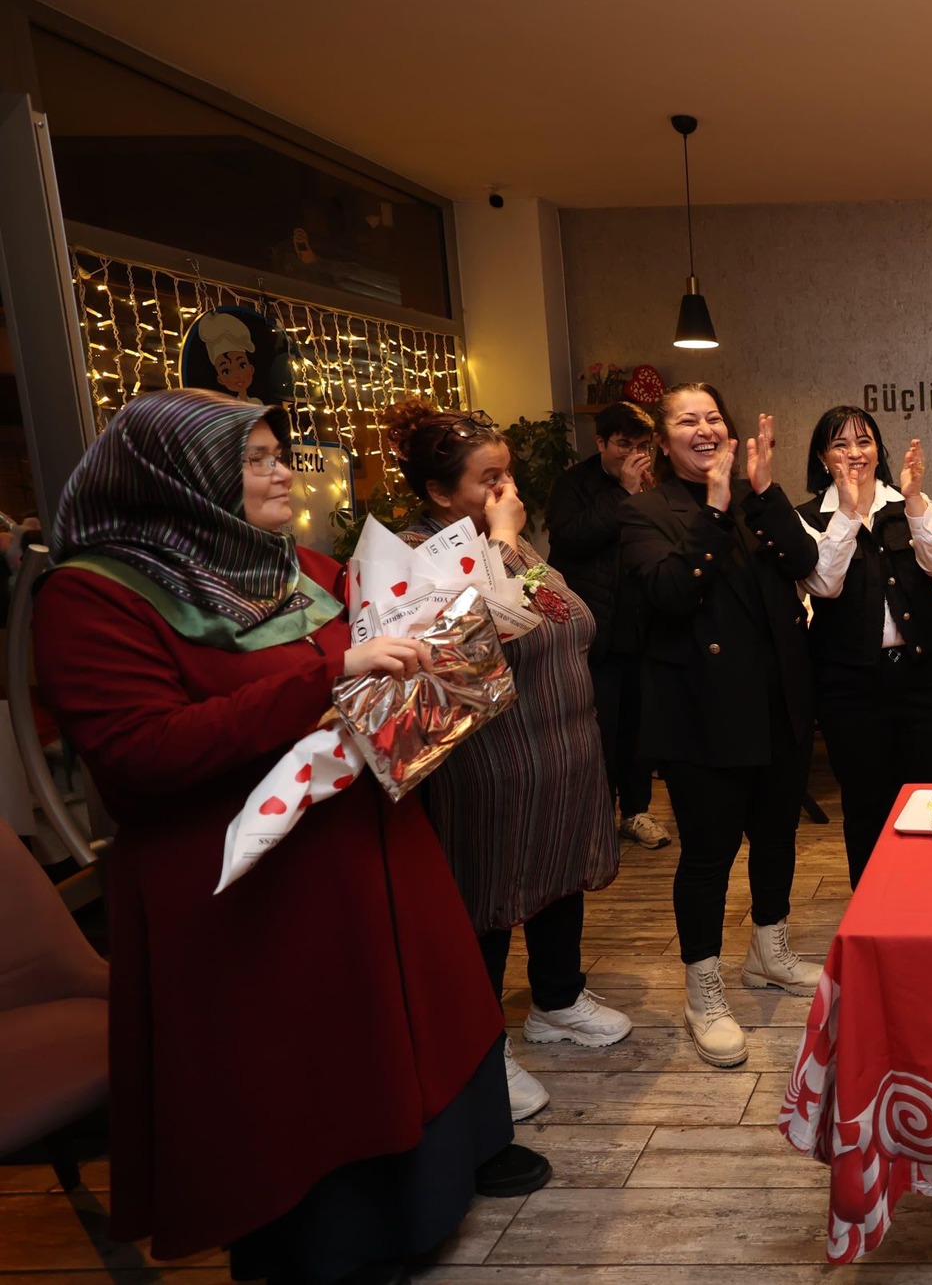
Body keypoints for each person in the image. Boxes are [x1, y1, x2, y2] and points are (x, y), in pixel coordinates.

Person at [34, 389, 547, 1285]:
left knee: (415, 1030)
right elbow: (139, 754)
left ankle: (426, 1203)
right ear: (179, 478)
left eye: (281, 455)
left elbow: (381, 661)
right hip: (253, 894)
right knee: (310, 1079)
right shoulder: (92, 596)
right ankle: (334, 1247)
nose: (285, 475)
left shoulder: (296, 566)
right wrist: (330, 673)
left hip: (372, 847)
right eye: (257, 460)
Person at [392, 402, 632, 1125]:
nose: (509, 492)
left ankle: (556, 1000)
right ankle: (480, 1043)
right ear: (439, 492)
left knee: (560, 871)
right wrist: (498, 541)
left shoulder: (511, 541)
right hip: (492, 762)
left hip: (564, 750)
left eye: (508, 475)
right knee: (488, 892)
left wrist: (504, 540)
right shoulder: (416, 555)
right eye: (489, 479)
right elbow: (470, 644)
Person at [620, 383, 823, 1070]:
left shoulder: (753, 499)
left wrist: (761, 492)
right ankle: (702, 988)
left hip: (776, 703)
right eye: (687, 420)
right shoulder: (644, 512)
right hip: (700, 714)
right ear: (663, 439)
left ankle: (769, 950)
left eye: (712, 417)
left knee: (777, 838)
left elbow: (804, 564)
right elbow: (671, 592)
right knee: (708, 856)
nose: (704, 429)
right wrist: (713, 504)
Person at [795, 406, 932, 887]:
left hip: (920, 679)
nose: (854, 453)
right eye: (840, 444)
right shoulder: (808, 518)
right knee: (865, 804)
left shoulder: (908, 503)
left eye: (863, 442)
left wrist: (914, 499)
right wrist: (847, 513)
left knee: (928, 801)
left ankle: (927, 901)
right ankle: (873, 907)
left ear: (878, 451)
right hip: (850, 687)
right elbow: (823, 583)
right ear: (822, 457)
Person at [546, 400, 669, 850]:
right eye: (623, 445)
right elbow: (571, 539)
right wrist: (623, 492)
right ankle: (598, 816)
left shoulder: (653, 483)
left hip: (641, 626)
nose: (635, 455)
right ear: (601, 442)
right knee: (599, 730)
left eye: (642, 446)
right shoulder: (573, 484)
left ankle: (636, 813)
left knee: (639, 728)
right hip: (594, 631)